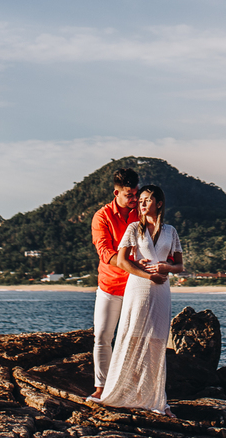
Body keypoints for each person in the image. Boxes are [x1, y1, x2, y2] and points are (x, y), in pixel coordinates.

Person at [93, 184, 184, 416]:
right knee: (130, 335)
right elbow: (123, 260)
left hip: (161, 289)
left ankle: (154, 398)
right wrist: (147, 274)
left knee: (156, 340)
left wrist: (166, 267)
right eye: (140, 200)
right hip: (138, 287)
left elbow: (180, 265)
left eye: (146, 200)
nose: (141, 203)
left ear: (159, 203)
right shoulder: (134, 228)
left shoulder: (170, 231)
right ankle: (121, 391)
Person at [89, 167, 139, 400]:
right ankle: (101, 387)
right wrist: (134, 265)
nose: (134, 198)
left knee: (133, 339)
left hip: (137, 287)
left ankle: (132, 387)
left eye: (136, 193)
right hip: (109, 286)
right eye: (129, 195)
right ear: (116, 192)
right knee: (102, 336)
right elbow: (104, 252)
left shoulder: (141, 211)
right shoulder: (102, 216)